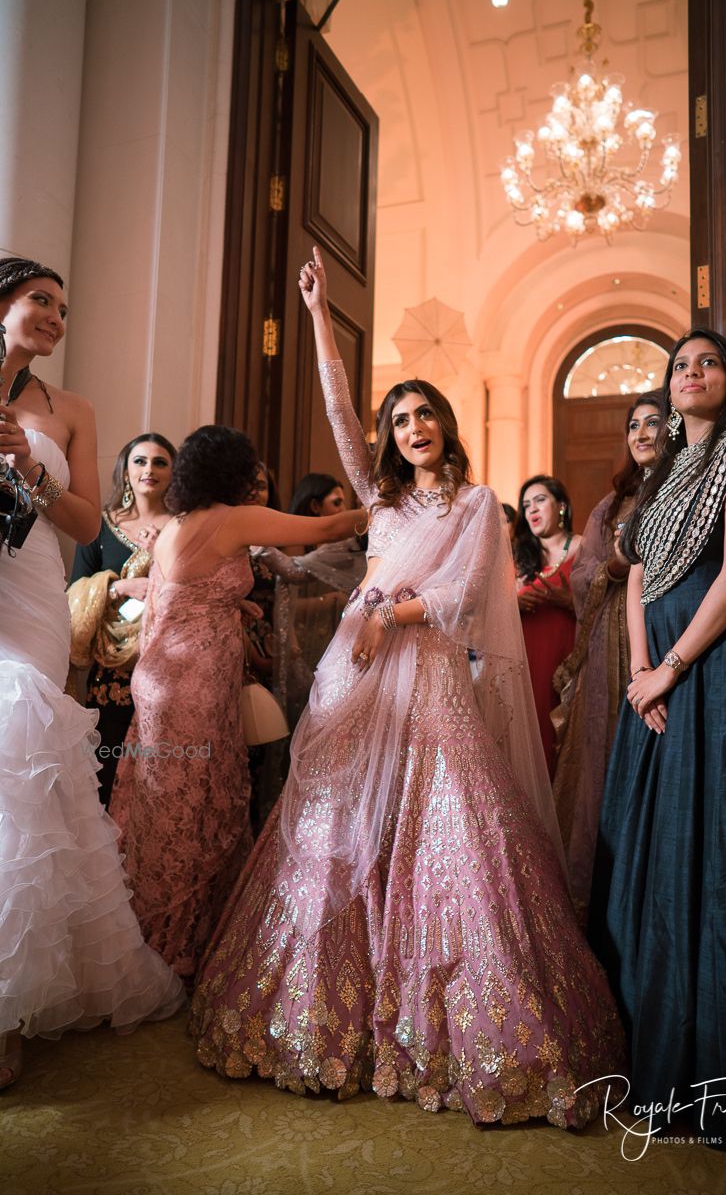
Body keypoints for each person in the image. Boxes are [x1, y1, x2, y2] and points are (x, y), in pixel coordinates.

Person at [188, 246, 624, 1130]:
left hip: (420, 675)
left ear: (446, 424)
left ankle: (455, 1028)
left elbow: (469, 595)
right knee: (335, 829)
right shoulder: (380, 502)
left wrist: (396, 614)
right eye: (402, 418)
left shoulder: (473, 503)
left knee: (450, 830)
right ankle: (319, 1018)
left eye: (425, 414)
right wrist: (316, 314)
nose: (412, 427)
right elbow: (342, 416)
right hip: (356, 682)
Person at [588, 329, 726, 1151]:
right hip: (655, 688)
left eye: (707, 362)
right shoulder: (669, 471)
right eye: (680, 365)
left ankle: (721, 1077)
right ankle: (655, 1063)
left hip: (714, 684)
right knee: (648, 861)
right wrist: (640, 671)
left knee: (712, 855)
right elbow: (640, 571)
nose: (692, 373)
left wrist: (672, 666)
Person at [0, 257, 184, 1089]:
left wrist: (28, 469)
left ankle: (8, 1005)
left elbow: (81, 522)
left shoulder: (67, 409)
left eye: (62, 310)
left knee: (17, 763)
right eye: (41, 300)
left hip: (30, 592)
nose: (54, 318)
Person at [108, 426, 365, 980]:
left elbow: (171, 593)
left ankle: (146, 930)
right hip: (194, 682)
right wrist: (390, 502)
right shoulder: (234, 518)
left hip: (161, 680)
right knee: (197, 803)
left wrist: (235, 608)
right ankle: (179, 943)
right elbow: (326, 526)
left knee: (161, 802)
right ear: (232, 471)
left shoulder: (176, 524)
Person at [550, 396, 661, 921]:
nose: (640, 433)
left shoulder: (686, 486)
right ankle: (602, 901)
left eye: (653, 422)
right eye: (632, 426)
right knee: (602, 756)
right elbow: (581, 574)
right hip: (608, 639)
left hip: (666, 637)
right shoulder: (609, 505)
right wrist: (615, 567)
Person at [68, 433, 176, 804]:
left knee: (162, 766)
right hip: (112, 669)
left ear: (174, 471)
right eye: (140, 461)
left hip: (169, 661)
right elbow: (74, 592)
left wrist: (159, 553)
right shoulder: (97, 527)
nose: (149, 469)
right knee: (108, 763)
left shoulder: (183, 527)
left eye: (160, 462)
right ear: (125, 470)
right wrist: (118, 587)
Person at [278, 471, 366, 725]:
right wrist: (329, 602)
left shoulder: (346, 550)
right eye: (336, 502)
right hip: (303, 646)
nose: (344, 509)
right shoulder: (293, 549)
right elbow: (284, 606)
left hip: (336, 641)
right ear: (315, 506)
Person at [513, 476, 582, 776]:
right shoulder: (519, 559)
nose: (531, 509)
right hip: (525, 662)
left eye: (540, 500)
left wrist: (569, 600)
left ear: (562, 506)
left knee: (565, 741)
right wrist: (512, 605)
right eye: (526, 505)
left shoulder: (584, 547)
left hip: (568, 663)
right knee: (531, 738)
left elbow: (608, 607)